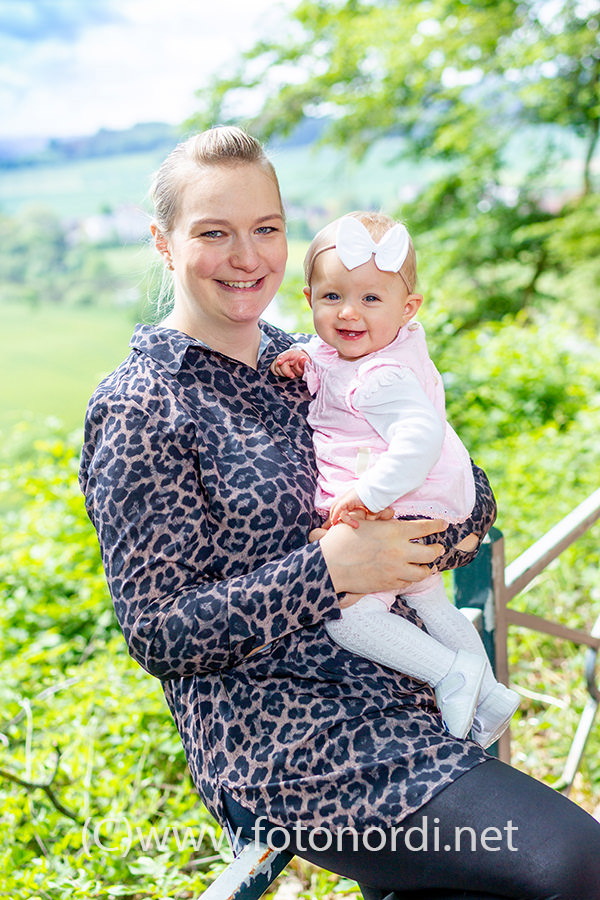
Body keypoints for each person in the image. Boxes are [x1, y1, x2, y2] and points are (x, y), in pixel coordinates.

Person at [79, 126, 600, 899]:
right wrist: (326, 573)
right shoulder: (140, 406)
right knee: (577, 862)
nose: (247, 257)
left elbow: (467, 485)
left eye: (266, 229)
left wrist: (419, 540)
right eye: (214, 233)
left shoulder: (311, 355)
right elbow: (159, 630)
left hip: (412, 702)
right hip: (293, 749)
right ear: (164, 242)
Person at [270, 211, 519, 747]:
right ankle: (492, 695)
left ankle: (450, 674)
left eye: (370, 300)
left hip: (405, 501)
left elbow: (420, 437)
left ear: (407, 309)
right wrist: (305, 358)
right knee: (430, 600)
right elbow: (334, 358)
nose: (348, 313)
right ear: (308, 297)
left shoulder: (379, 376)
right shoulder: (373, 349)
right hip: (438, 497)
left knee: (351, 616)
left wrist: (370, 492)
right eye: (332, 297)